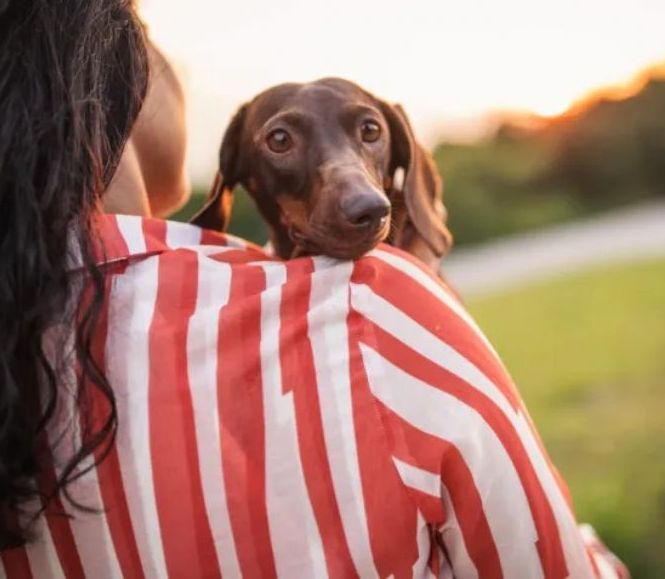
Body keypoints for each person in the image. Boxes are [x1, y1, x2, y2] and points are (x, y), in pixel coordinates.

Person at [0, 1, 627, 577]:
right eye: (281, 140)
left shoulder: (18, 336)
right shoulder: (373, 311)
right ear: (103, 74)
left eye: (369, 132)